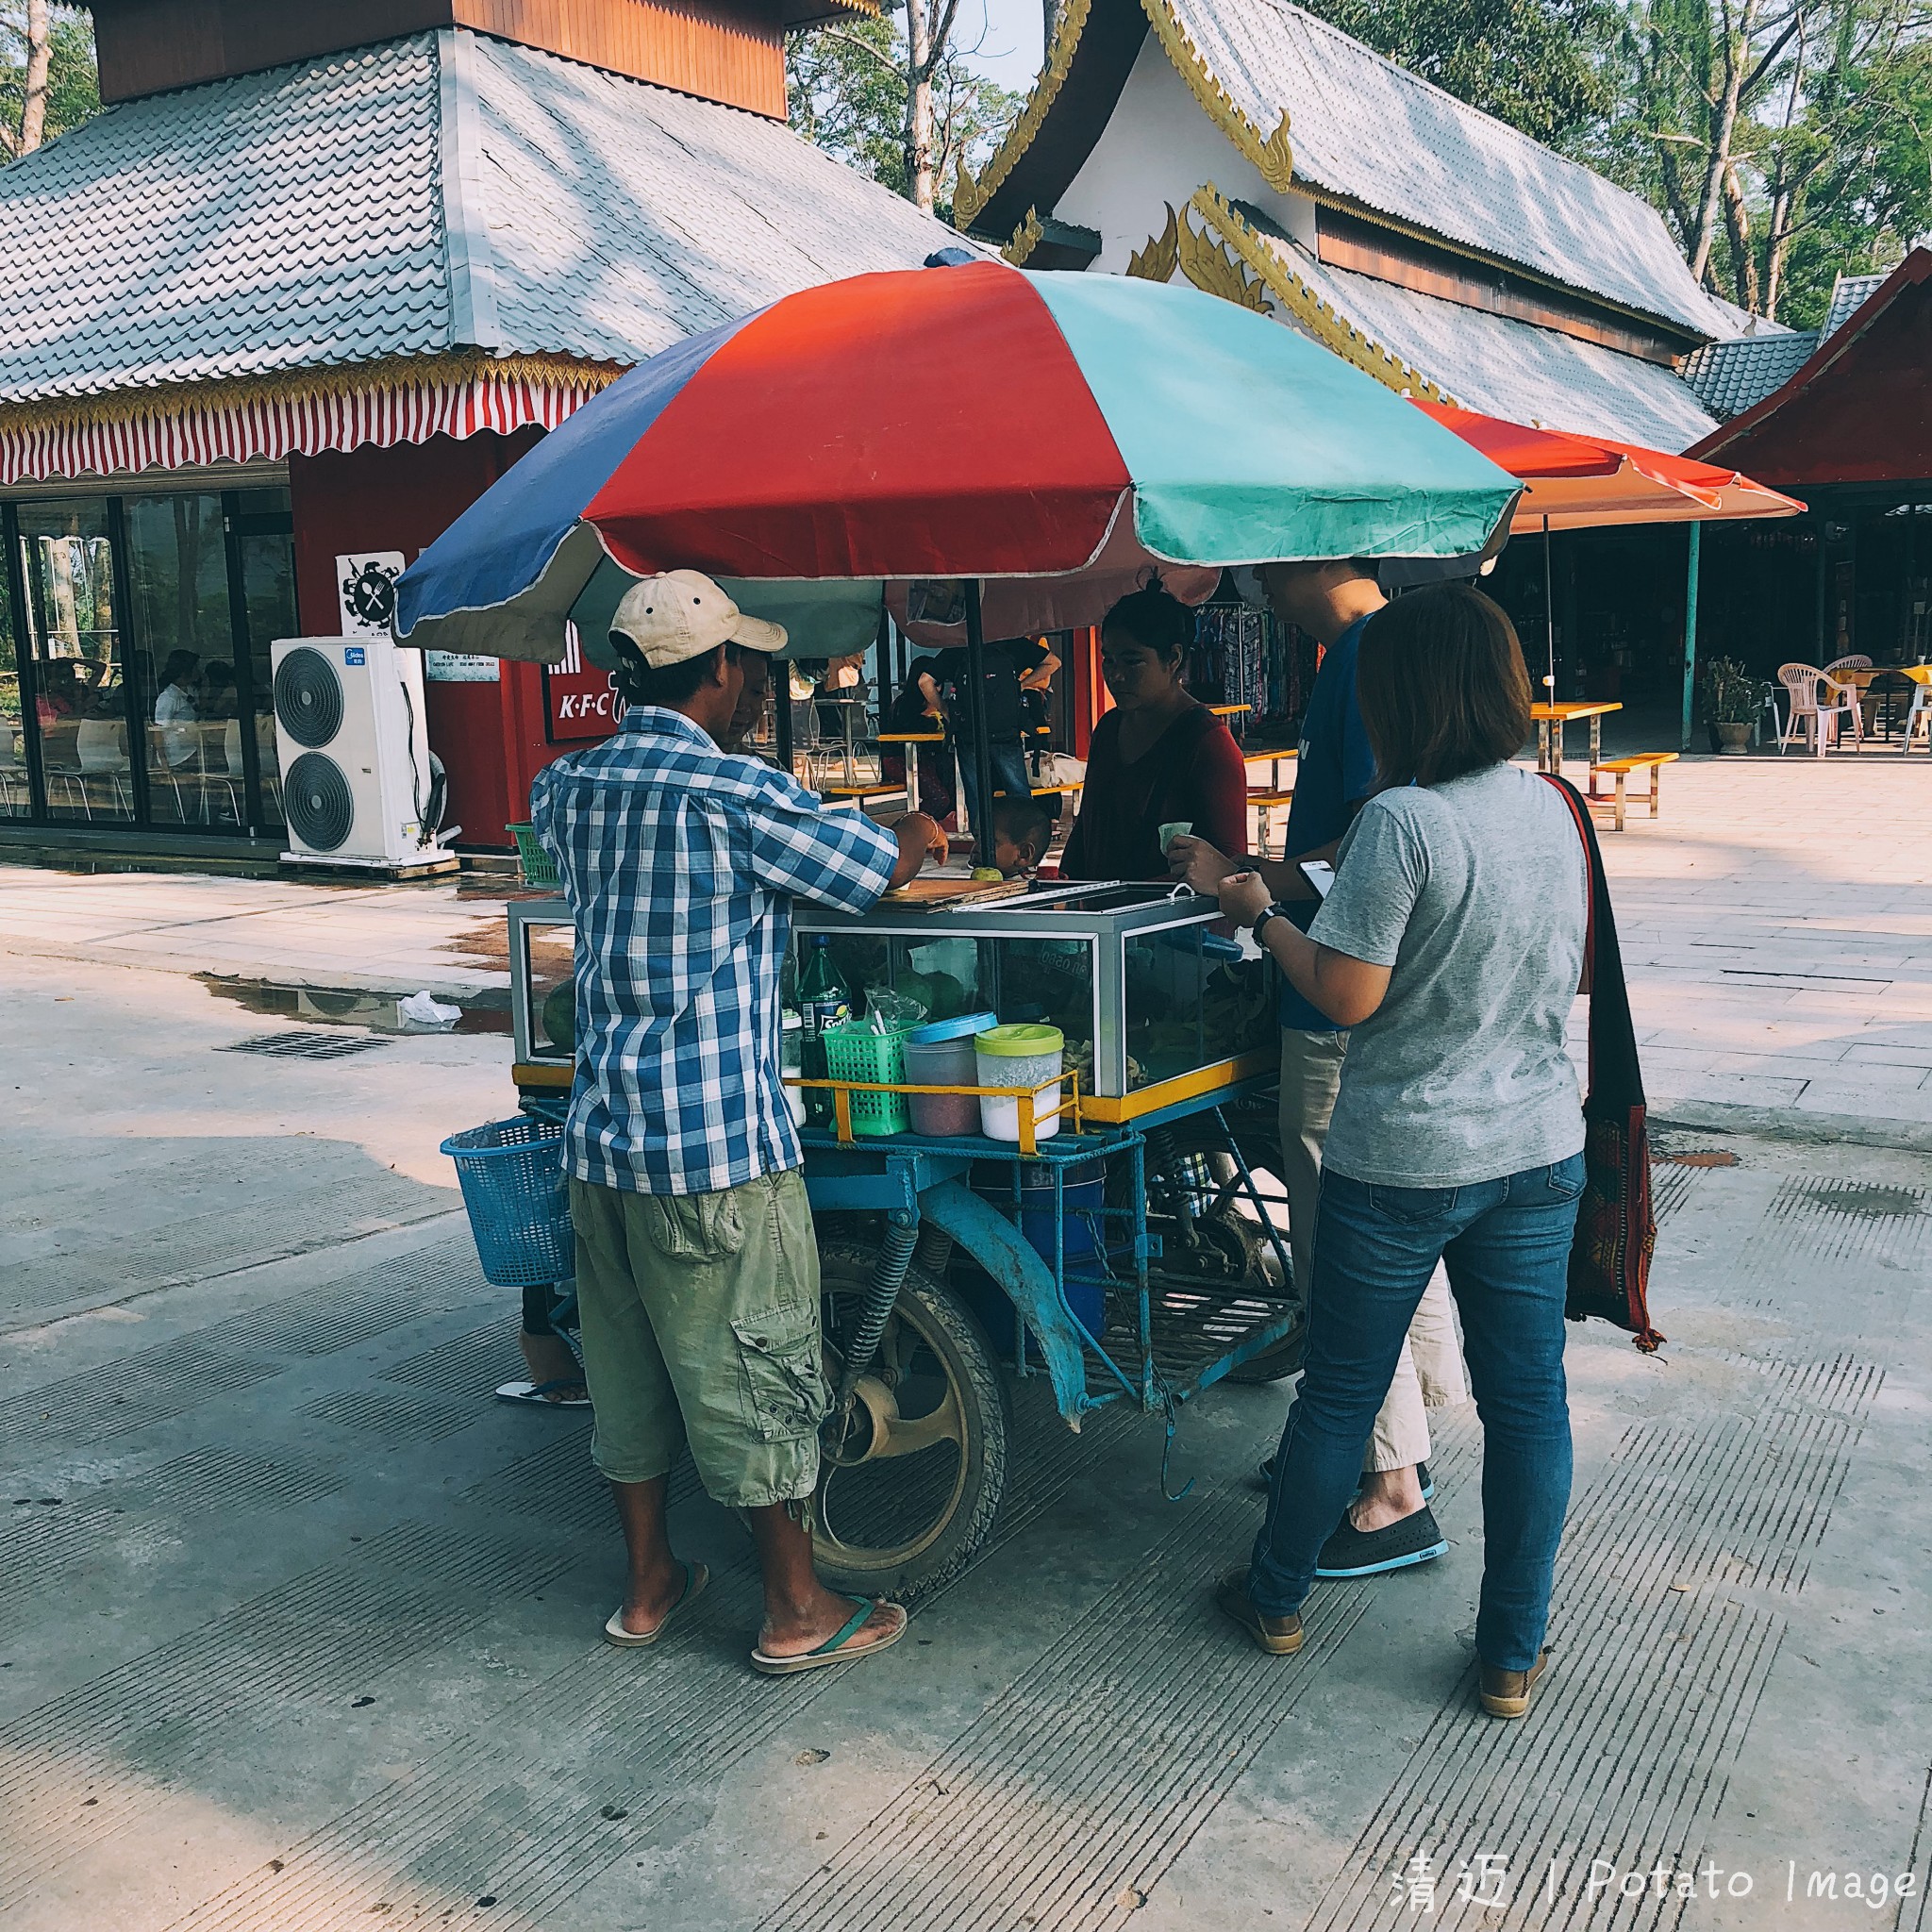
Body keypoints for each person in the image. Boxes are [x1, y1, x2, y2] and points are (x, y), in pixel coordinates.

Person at [530, 569, 948, 1674]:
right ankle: (796, 1609)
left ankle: (649, 1582)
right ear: (718, 667)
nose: (762, 684)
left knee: (624, 1369)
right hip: (712, 1151)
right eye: (752, 664)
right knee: (753, 1369)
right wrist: (914, 827)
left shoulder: (568, 789)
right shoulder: (730, 795)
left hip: (603, 1143)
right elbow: (872, 868)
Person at [1213, 585, 1589, 1722]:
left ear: (1403, 694)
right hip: (1534, 1144)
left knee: (1337, 1392)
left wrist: (1256, 912)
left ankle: (1274, 1595)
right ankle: (1509, 1654)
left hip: (1405, 1158)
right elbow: (1565, 975)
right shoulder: (1552, 808)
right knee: (1526, 1403)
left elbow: (1343, 992)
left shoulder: (1401, 821)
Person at [1169, 561, 1463, 1578]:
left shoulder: (1372, 655)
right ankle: (1395, 1451)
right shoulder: (1366, 654)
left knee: (1343, 1244)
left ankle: (1388, 1485)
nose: (1249, 577)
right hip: (1372, 997)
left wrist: (1247, 885)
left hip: (1339, 992)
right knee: (1382, 1241)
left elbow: (1371, 840)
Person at [1060, 581, 1245, 881]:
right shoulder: (1109, 728)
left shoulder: (1207, 743)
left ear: (1172, 658)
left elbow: (1229, 865)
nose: (1115, 675)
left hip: (1175, 922)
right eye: (1108, 660)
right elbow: (1087, 829)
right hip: (1101, 918)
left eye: (1133, 661)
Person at [936, 634, 1058, 837]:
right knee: (1018, 791)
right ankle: (1025, 841)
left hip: (969, 735)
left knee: (976, 795)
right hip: (1006, 732)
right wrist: (1019, 685)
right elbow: (1053, 663)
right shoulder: (1012, 643)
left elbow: (925, 681)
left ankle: (983, 847)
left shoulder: (959, 645)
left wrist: (948, 713)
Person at [878, 653, 955, 824]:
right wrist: (931, 717)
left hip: (930, 760)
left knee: (954, 790)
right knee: (938, 797)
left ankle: (938, 825)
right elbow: (908, 730)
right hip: (900, 759)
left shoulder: (942, 704)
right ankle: (908, 827)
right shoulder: (904, 704)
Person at [987, 793, 1054, 879]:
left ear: (1024, 853)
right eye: (977, 839)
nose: (975, 850)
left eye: (990, 842)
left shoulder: (1026, 890)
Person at [153, 650, 201, 769]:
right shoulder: (169, 697)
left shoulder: (190, 690)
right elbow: (158, 730)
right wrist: (164, 762)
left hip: (192, 749)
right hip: (177, 756)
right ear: (185, 672)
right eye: (195, 668)